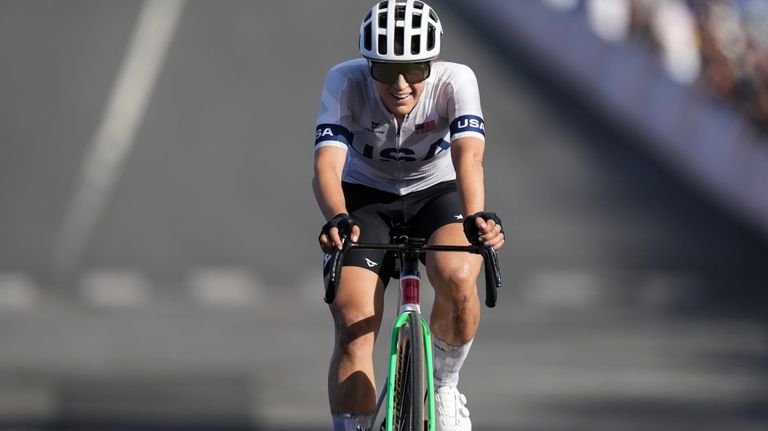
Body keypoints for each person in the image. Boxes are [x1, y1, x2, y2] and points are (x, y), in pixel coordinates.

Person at [313, 1, 505, 430]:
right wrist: (337, 216)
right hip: (366, 198)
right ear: (368, 66)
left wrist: (475, 216)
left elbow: (469, 156)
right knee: (352, 324)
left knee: (457, 275)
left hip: (436, 192)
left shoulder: (457, 80)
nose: (400, 85)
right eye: (385, 71)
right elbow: (326, 165)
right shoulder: (344, 81)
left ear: (432, 64)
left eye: (415, 70)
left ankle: (444, 385)